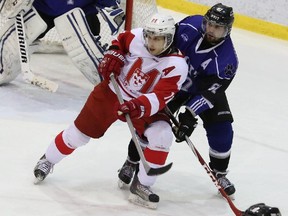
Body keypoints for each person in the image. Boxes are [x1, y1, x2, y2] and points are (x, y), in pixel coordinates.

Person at [33, 13, 188, 209]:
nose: (151, 42)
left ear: (169, 38)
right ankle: (48, 159)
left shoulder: (177, 65)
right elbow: (119, 40)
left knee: (163, 135)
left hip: (142, 104)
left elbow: (160, 97)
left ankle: (142, 184)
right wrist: (113, 52)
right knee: (78, 135)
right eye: (149, 36)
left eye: (157, 38)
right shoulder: (138, 36)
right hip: (112, 93)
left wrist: (136, 105)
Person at [118, 3, 238, 197]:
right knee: (149, 121)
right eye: (209, 24)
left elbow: (210, 93)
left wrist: (189, 115)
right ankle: (132, 161)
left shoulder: (227, 61)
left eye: (217, 28)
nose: (210, 30)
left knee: (222, 128)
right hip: (173, 84)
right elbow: (165, 47)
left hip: (201, 91)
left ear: (227, 30)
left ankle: (220, 173)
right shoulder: (190, 26)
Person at [0, 0, 125, 85]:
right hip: (42, 8)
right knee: (4, 67)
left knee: (99, 67)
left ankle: (119, 84)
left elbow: (112, 8)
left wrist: (111, 7)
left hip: (80, 12)